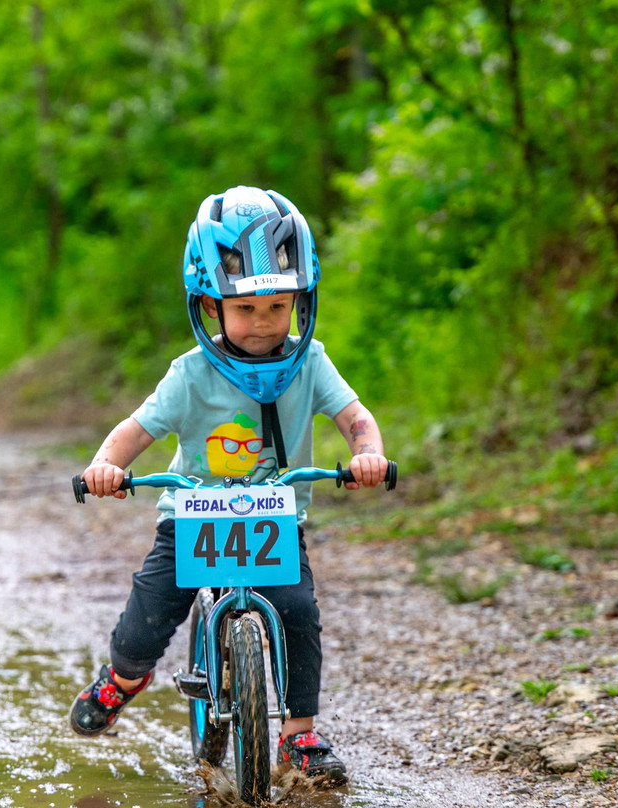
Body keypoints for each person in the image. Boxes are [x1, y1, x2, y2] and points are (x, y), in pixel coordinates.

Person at [68, 186, 389, 785]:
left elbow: (355, 417)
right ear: (211, 306)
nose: (264, 324)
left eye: (277, 307)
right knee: (146, 620)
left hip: (273, 520)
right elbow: (135, 432)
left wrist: (367, 454)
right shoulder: (190, 374)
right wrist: (104, 466)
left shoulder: (310, 362)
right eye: (246, 309)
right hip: (193, 518)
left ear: (300, 299)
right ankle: (122, 680)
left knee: (297, 612)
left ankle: (299, 737)